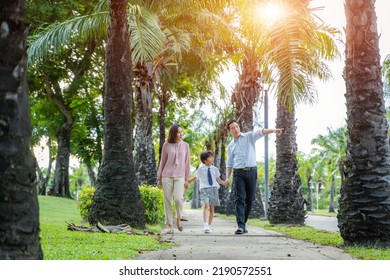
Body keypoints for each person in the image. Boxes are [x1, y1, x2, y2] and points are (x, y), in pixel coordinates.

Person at [226, 120, 283, 234]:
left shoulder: (249, 137)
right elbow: (229, 164)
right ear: (229, 131)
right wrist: (228, 177)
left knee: (250, 199)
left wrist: (273, 130)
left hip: (252, 171)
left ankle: (244, 223)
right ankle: (241, 226)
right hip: (238, 173)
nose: (236, 129)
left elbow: (260, 132)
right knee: (240, 199)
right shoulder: (230, 146)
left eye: (237, 126)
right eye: (233, 128)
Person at [157, 124, 190, 234]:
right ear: (173, 133)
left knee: (178, 199)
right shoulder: (166, 145)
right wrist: (159, 178)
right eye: (178, 132)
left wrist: (187, 179)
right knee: (167, 201)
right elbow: (162, 162)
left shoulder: (185, 145)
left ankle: (178, 218)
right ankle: (169, 225)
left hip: (180, 176)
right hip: (167, 176)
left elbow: (187, 163)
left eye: (182, 132)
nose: (181, 134)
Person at [189, 151, 228, 233]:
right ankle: (205, 224)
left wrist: (224, 183)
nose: (212, 158)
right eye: (210, 157)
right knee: (206, 205)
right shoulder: (200, 169)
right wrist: (188, 182)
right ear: (204, 160)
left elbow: (218, 180)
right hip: (204, 188)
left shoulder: (215, 169)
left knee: (212, 208)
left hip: (213, 188)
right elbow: (195, 178)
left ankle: (209, 226)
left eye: (212, 157)